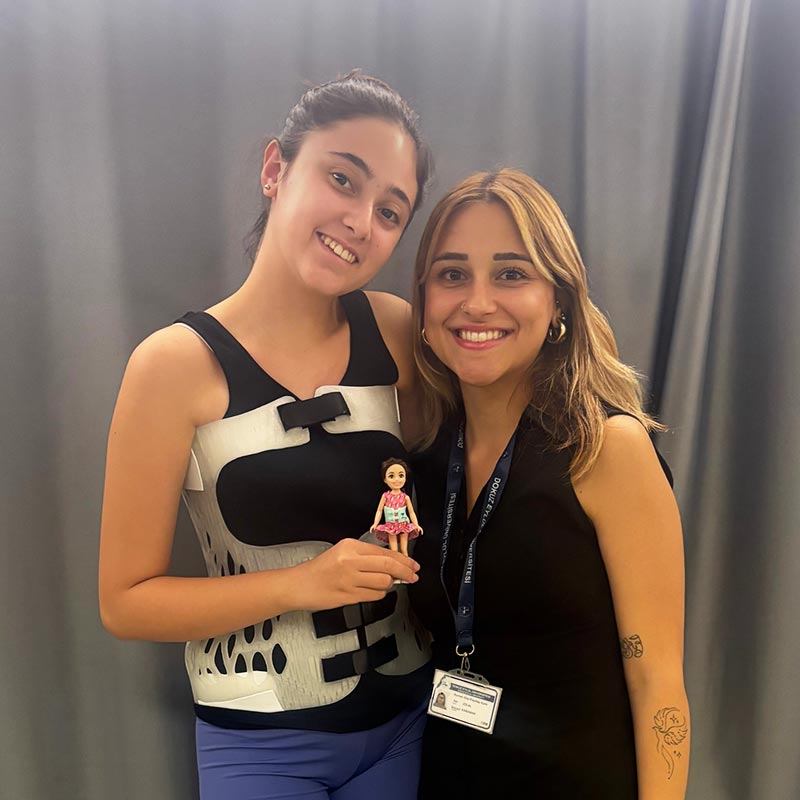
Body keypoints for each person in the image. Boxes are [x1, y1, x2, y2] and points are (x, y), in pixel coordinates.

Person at [99, 72, 435, 800]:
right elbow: (125, 601)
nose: (359, 220)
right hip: (261, 736)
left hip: (407, 721)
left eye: (389, 211)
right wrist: (297, 586)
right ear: (276, 169)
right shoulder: (171, 367)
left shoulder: (397, 330)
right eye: (342, 179)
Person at [408, 169, 689, 797]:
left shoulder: (607, 450)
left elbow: (659, 686)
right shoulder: (423, 459)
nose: (477, 302)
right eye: (453, 274)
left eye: (511, 273)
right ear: (424, 300)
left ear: (558, 301)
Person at [370, 458, 423, 556]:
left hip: (404, 525)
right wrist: (375, 523)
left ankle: (406, 569)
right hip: (390, 526)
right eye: (391, 476)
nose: (397, 479)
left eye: (401, 475)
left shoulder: (405, 497)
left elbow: (411, 512)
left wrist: (416, 524)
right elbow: (379, 510)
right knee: (393, 551)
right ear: (385, 480)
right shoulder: (385, 496)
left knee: (404, 550)